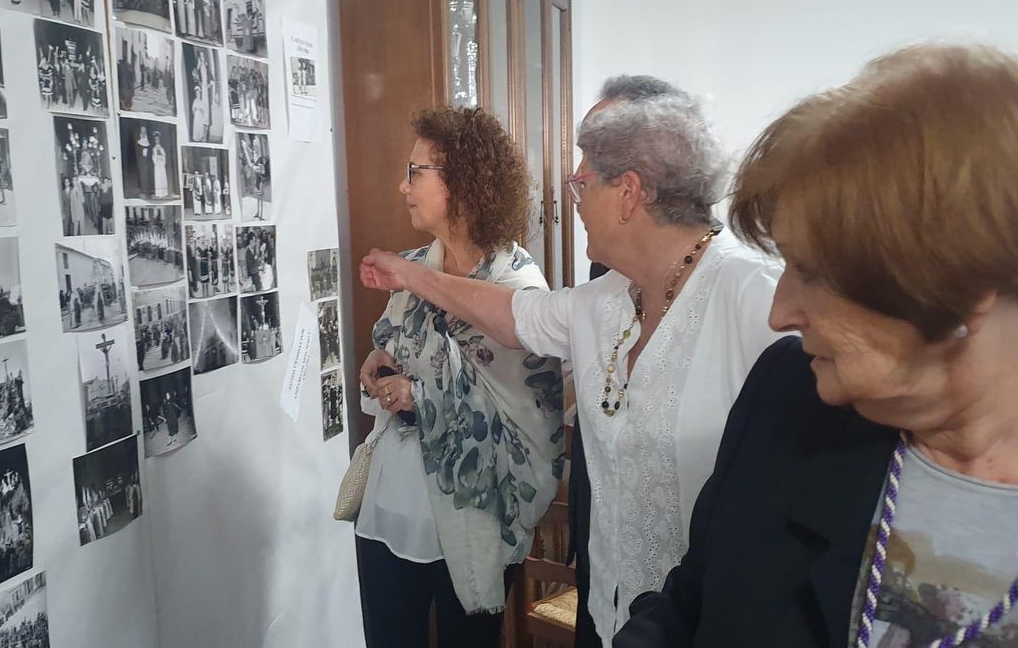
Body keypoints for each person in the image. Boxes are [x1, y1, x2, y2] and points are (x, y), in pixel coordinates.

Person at [612, 44, 1018, 647]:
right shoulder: (789, 391)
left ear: (958, 286)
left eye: (814, 273)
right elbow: (690, 604)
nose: (780, 314)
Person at [360, 79, 785, 647]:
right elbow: (514, 316)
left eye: (582, 180)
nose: (574, 197)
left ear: (629, 192)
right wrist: (409, 273)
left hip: (709, 623)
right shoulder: (605, 299)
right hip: (608, 613)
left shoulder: (755, 296)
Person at [355, 107, 564, 648]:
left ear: (463, 182)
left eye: (416, 171)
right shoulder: (411, 267)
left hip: (474, 514)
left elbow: (528, 419)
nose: (401, 185)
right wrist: (377, 365)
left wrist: (419, 396)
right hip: (390, 507)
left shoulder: (517, 291)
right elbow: (395, 342)